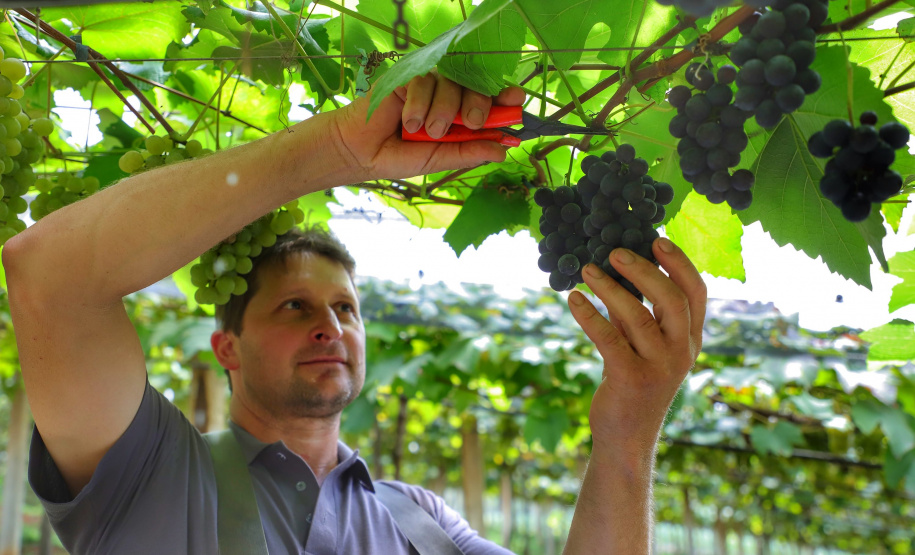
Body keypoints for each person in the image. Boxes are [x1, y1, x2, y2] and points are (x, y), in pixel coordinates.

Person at [3, 71, 707, 554]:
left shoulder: (420, 520)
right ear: (227, 347)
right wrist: (332, 148)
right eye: (294, 305)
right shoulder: (152, 474)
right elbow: (50, 274)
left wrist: (626, 428)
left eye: (346, 307)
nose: (331, 325)